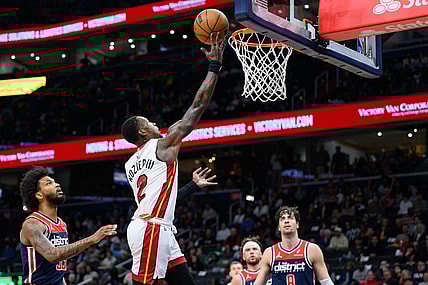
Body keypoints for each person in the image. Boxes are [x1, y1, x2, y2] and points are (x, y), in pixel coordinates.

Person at [122, 31, 226, 283]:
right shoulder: (162, 145)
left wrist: (192, 186)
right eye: (149, 121)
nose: (155, 122)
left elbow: (165, 199)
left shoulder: (130, 164)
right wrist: (215, 65)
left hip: (158, 227)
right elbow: (197, 107)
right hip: (151, 228)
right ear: (143, 131)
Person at [19, 167, 117, 285]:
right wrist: (92, 239)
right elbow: (53, 255)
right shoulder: (33, 224)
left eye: (55, 181)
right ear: (39, 195)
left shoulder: (62, 224)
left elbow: (58, 271)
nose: (57, 184)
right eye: (49, 183)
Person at [254, 206, 332, 285]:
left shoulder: (311, 249)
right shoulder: (270, 253)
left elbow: (326, 282)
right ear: (279, 227)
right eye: (282, 219)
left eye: (290, 218)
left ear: (297, 224)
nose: (286, 221)